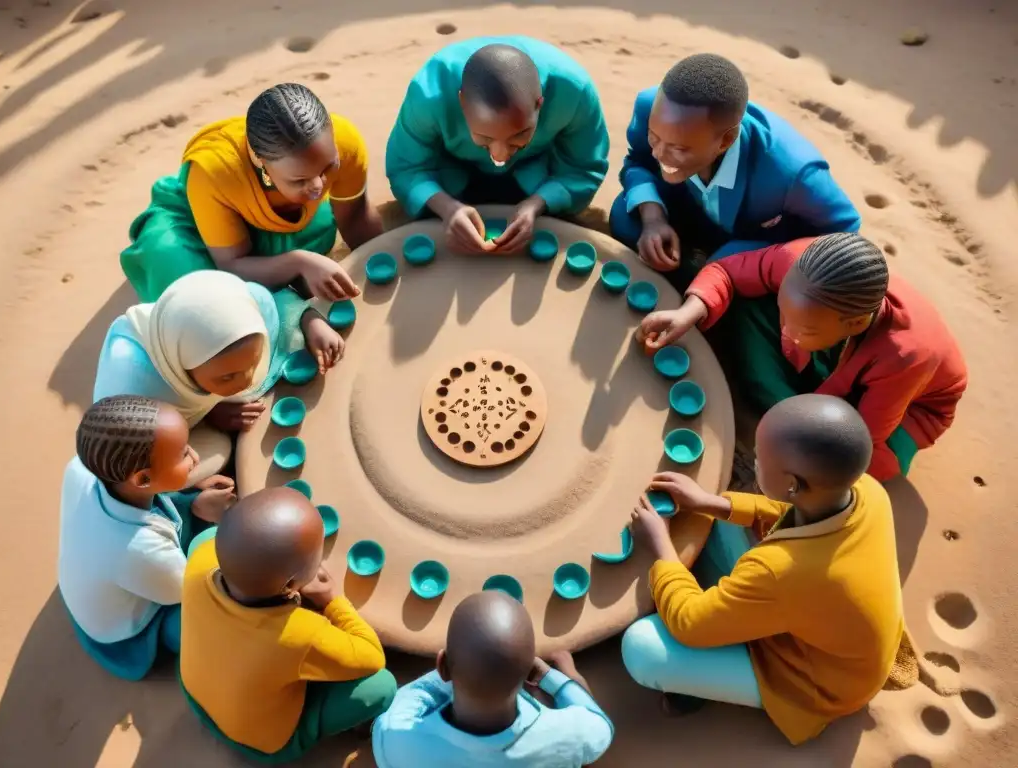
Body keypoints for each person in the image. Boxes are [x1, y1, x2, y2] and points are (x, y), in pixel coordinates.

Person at [622, 394, 915, 745]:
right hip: (823, 624)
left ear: (792, 483)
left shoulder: (782, 571)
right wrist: (709, 502)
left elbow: (689, 624)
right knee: (723, 517)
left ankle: (696, 690)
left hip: (820, 682)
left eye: (761, 459)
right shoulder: (866, 490)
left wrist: (660, 543)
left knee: (642, 649)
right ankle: (728, 620)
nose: (755, 462)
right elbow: (788, 510)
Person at [637, 233, 967, 480]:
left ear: (853, 323)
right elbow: (728, 273)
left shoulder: (906, 353)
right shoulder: (798, 261)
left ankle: (788, 415)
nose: (786, 333)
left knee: (839, 463)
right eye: (783, 313)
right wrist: (686, 313)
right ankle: (790, 404)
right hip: (833, 346)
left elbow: (861, 436)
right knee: (744, 308)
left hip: (908, 407)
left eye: (802, 330)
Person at [180, 487, 396, 762]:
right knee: (382, 685)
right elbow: (372, 655)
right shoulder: (301, 634)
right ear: (291, 585)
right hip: (263, 744)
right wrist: (333, 600)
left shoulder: (200, 556)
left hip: (195, 696)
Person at [610, 53, 859, 286]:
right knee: (624, 217)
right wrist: (653, 218)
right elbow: (639, 161)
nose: (659, 154)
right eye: (654, 137)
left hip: (748, 240)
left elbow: (845, 233)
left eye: (679, 149)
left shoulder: (794, 174)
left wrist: (749, 261)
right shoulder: (649, 107)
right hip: (687, 206)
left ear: (726, 142)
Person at [121, 82, 381, 303]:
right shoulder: (216, 172)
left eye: (328, 167)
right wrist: (298, 262)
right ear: (260, 162)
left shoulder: (345, 142)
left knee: (320, 230)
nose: (317, 186)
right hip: (204, 223)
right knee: (191, 286)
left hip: (282, 219)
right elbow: (232, 264)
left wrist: (385, 260)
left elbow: (356, 218)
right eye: (300, 179)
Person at [93, 271, 345, 485]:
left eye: (253, 363)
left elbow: (274, 307)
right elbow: (123, 468)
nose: (246, 381)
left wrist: (309, 320)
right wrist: (207, 417)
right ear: (183, 368)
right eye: (228, 377)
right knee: (215, 452)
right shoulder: (134, 395)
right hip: (160, 437)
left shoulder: (239, 306)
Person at [58, 395, 236, 680]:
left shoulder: (82, 467)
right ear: (142, 480)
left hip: (99, 586)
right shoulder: (140, 551)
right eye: (183, 455)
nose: (195, 457)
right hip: (126, 634)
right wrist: (210, 521)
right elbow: (186, 587)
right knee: (216, 616)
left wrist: (190, 498)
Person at [386, 37, 609, 255]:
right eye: (485, 138)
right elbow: (406, 166)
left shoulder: (574, 93)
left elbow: (584, 167)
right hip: (454, 169)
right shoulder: (428, 95)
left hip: (535, 169)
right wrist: (447, 208)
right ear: (462, 102)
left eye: (518, 136)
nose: (499, 157)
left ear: (540, 103)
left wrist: (538, 204)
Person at [371, 591, 613, 767]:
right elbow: (600, 725)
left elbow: (410, 698)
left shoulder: (397, 737)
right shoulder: (566, 734)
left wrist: (459, 669)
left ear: (442, 666)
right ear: (528, 672)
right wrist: (552, 678)